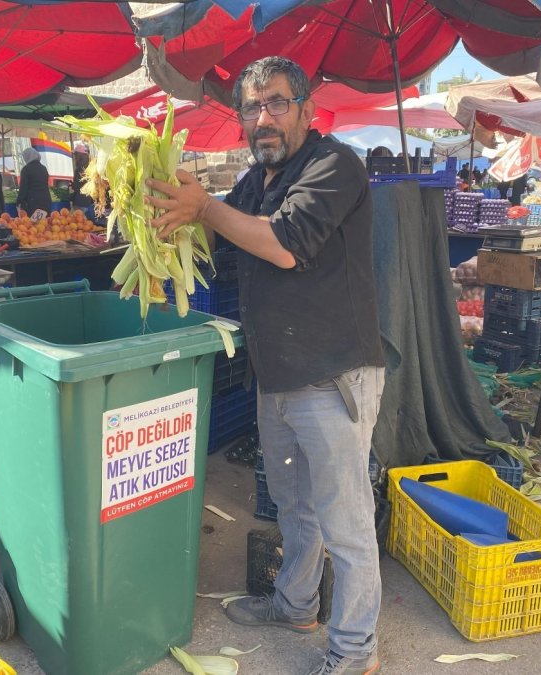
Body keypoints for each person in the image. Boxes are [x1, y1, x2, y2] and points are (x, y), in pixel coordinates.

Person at [145, 56, 385, 675]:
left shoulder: (336, 165)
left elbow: (281, 245)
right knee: (292, 505)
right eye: (251, 108)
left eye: (277, 103)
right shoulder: (258, 179)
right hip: (276, 373)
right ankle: (295, 604)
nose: (263, 118)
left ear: (306, 109)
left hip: (333, 375)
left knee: (346, 521)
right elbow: (227, 225)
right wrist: (170, 221)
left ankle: (356, 650)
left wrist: (204, 210)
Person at [17, 147, 51, 215]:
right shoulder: (43, 168)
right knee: (45, 223)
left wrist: (19, 201)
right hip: (46, 199)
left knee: (34, 224)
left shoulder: (26, 169)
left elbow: (23, 188)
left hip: (33, 202)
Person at [70, 143, 94, 210]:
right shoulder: (91, 166)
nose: (74, 157)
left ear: (80, 155)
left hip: (81, 202)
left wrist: (73, 186)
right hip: (90, 201)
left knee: (79, 219)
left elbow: (78, 186)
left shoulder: (79, 169)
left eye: (75, 154)